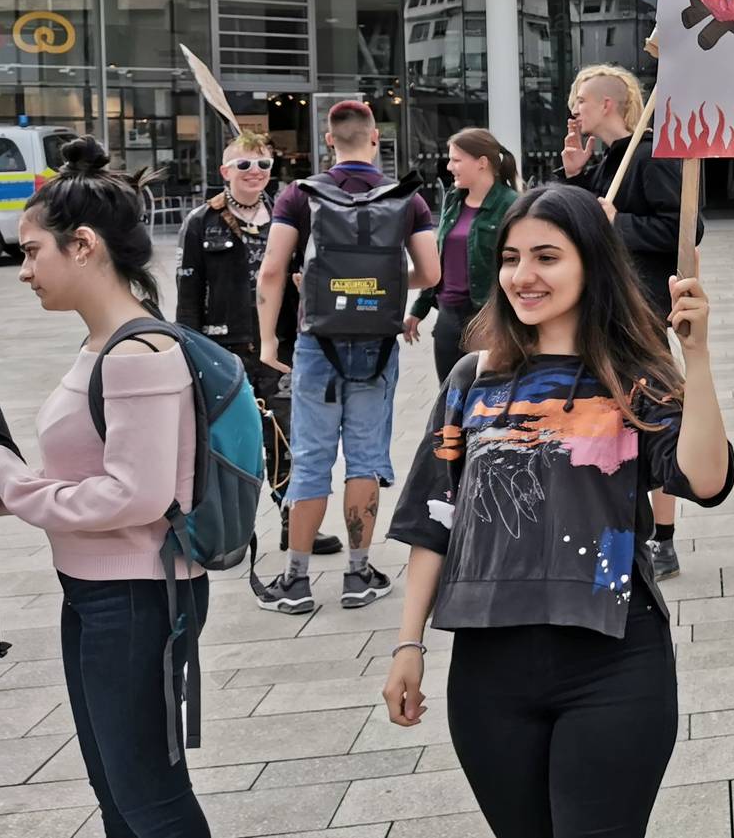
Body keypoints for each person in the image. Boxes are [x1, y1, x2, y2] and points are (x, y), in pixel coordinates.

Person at [383, 185, 734, 838]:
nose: (524, 275)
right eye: (511, 257)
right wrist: (409, 644)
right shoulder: (472, 378)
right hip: (488, 671)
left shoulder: (634, 375)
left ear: (591, 263)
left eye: (547, 256)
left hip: (613, 657)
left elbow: (705, 479)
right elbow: (434, 518)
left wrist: (699, 357)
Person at [0, 137, 214, 837]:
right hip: (98, 591)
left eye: (32, 252)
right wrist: (28, 489)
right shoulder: (102, 342)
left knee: (150, 801)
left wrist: (9, 478)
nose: (24, 269)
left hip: (136, 596)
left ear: (82, 245)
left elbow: (134, 495)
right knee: (119, 796)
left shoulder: (139, 351)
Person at [256, 101, 439, 615]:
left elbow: (271, 270)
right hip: (377, 346)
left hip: (318, 343)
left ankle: (295, 581)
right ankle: (358, 574)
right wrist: (377, 288)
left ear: (329, 139)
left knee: (312, 460)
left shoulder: (300, 194)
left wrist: (269, 340)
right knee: (365, 460)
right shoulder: (407, 198)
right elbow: (431, 273)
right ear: (375, 138)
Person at [559, 63, 702, 581]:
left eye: (580, 99)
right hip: (599, 313)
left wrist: (620, 224)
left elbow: (687, 227)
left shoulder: (648, 155)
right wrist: (574, 176)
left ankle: (664, 539)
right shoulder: (604, 163)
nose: (574, 108)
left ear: (606, 105)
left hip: (639, 315)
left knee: (655, 419)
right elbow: (577, 230)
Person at [176, 130, 339, 558]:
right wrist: (189, 354)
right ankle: (227, 531)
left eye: (263, 164)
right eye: (244, 164)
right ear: (225, 171)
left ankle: (293, 523)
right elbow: (188, 297)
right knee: (229, 445)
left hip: (281, 349)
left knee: (287, 437)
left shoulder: (287, 217)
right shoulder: (201, 222)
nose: (255, 172)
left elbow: (312, 275)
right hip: (223, 351)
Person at [405, 129, 519, 386]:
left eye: (456, 160)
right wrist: (419, 309)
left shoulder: (512, 205)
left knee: (486, 396)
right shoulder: (453, 200)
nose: (449, 167)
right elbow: (440, 258)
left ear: (482, 163)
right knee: (449, 394)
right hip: (448, 316)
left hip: (488, 317)